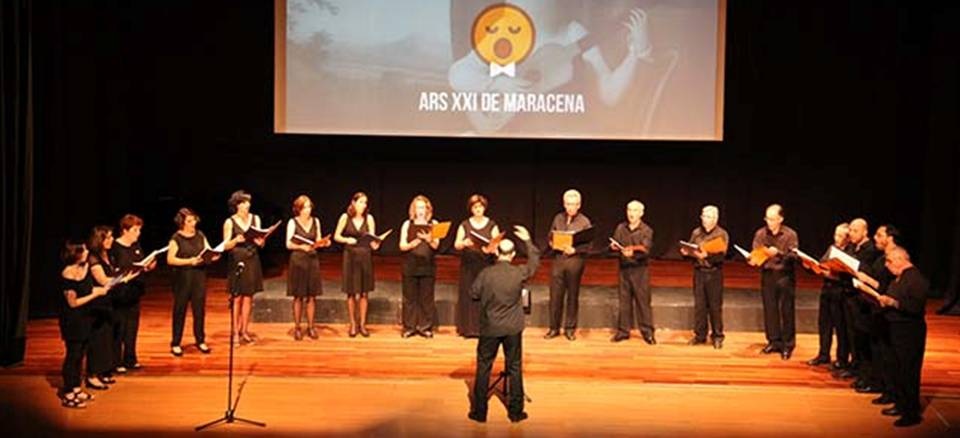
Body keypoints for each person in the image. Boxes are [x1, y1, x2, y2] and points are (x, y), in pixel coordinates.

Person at [468, 225, 539, 424]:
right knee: (515, 367)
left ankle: (479, 412)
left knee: (484, 367)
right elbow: (534, 263)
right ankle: (516, 413)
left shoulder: (486, 274)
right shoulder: (519, 273)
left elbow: (473, 294)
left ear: (497, 252)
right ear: (513, 255)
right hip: (512, 328)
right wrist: (528, 240)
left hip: (490, 327)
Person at [859, 247, 927, 427]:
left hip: (909, 331)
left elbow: (915, 307)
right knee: (896, 367)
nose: (887, 266)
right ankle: (900, 403)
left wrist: (893, 302)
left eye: (889, 261)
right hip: (894, 328)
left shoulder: (916, 279)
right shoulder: (899, 277)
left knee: (908, 370)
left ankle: (911, 412)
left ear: (900, 259)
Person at [58, 241, 129, 408]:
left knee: (81, 354)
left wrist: (120, 280)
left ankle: (76, 388)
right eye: (83, 250)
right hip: (73, 320)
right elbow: (73, 303)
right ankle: (68, 392)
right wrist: (96, 294)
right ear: (75, 254)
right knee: (73, 355)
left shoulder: (85, 268)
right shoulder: (68, 273)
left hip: (86, 317)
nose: (87, 252)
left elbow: (96, 286)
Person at [750, 204, 799, 360]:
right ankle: (774, 341)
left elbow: (794, 257)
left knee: (786, 310)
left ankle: (788, 344)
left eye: (772, 219)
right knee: (770, 309)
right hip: (768, 275)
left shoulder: (790, 235)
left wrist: (779, 253)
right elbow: (756, 251)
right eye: (767, 219)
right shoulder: (761, 233)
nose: (769, 222)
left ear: (780, 219)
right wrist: (753, 258)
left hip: (785, 276)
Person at [166, 208, 217, 356]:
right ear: (182, 223)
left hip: (199, 276)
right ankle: (176, 342)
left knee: (199, 310)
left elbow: (208, 250)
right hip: (183, 278)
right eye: (189, 221)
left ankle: (200, 340)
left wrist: (213, 255)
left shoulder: (200, 235)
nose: (193, 223)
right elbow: (170, 259)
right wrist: (189, 261)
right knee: (180, 310)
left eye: (194, 220)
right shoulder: (176, 238)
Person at [109, 214, 156, 372]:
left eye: (139, 230)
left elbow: (140, 262)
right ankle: (116, 361)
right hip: (120, 293)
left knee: (131, 328)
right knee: (119, 328)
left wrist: (147, 266)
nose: (138, 233)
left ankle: (130, 359)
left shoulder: (135, 245)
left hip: (134, 292)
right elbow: (113, 270)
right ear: (125, 230)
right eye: (135, 230)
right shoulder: (115, 248)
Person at [680, 205, 729, 349]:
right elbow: (691, 250)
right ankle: (700, 335)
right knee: (700, 306)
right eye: (703, 216)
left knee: (714, 306)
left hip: (714, 273)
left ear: (715, 219)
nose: (704, 219)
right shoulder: (696, 233)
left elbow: (722, 256)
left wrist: (707, 256)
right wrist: (687, 253)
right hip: (699, 272)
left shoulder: (721, 234)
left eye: (708, 217)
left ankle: (717, 336)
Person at [546, 189, 592, 341]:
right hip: (559, 259)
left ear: (579, 205)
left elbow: (588, 245)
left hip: (575, 261)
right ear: (564, 204)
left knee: (572, 295)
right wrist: (553, 243)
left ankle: (570, 329)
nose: (570, 207)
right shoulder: (558, 218)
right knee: (555, 295)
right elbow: (550, 236)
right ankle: (554, 328)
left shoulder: (584, 222)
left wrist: (575, 250)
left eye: (573, 204)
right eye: (568, 204)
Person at [334, 192, 381, 337]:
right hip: (350, 256)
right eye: (361, 202)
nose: (363, 205)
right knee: (351, 292)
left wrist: (376, 244)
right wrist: (346, 240)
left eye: (365, 203)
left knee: (364, 292)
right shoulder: (345, 217)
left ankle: (362, 324)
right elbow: (336, 236)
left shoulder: (369, 218)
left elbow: (372, 239)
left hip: (365, 256)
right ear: (353, 203)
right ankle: (353, 323)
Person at [222, 190, 267, 344]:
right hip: (237, 259)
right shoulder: (230, 222)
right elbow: (225, 245)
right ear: (237, 205)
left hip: (252, 258)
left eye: (248, 202)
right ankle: (235, 332)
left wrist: (261, 242)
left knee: (249, 296)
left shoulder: (255, 218)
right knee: (237, 298)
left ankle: (244, 331)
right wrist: (235, 240)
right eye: (244, 202)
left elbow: (260, 240)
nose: (248, 205)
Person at [454, 194, 500, 338]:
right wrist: (464, 243)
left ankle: (484, 328)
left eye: (480, 207)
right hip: (469, 265)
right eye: (475, 207)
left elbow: (496, 245)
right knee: (468, 294)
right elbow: (456, 244)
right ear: (471, 209)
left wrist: (491, 249)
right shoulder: (464, 225)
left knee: (485, 295)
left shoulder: (492, 225)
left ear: (484, 208)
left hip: (485, 265)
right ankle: (468, 329)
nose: (478, 209)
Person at [609, 200, 655, 344]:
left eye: (635, 211)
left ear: (641, 213)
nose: (631, 213)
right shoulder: (621, 228)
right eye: (629, 210)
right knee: (624, 301)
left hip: (639, 270)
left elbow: (646, 250)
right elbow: (615, 245)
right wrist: (613, 247)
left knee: (642, 302)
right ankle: (623, 331)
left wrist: (633, 252)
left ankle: (648, 332)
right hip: (624, 269)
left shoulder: (646, 230)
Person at [806, 223, 851, 367]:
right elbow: (822, 263)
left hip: (840, 291)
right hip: (827, 289)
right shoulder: (832, 248)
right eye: (835, 234)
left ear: (847, 238)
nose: (836, 238)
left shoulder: (850, 252)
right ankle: (823, 354)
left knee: (840, 326)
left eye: (840, 235)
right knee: (824, 324)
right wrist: (812, 266)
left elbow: (849, 273)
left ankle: (841, 359)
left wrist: (833, 273)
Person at [285, 195, 329, 340]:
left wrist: (323, 243)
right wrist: (301, 247)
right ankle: (297, 327)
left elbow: (318, 239)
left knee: (311, 296)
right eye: (305, 207)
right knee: (298, 296)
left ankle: (311, 326)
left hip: (312, 260)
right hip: (298, 260)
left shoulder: (316, 221)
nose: (308, 210)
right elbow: (288, 244)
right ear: (298, 209)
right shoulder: (292, 222)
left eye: (309, 207)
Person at [399, 195, 441, 338]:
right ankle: (409, 327)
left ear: (428, 209)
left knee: (426, 298)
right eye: (418, 208)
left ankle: (425, 327)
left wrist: (429, 239)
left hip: (427, 265)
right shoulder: (407, 224)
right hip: (410, 264)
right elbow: (402, 245)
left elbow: (436, 245)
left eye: (423, 207)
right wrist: (412, 244)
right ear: (414, 210)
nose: (421, 210)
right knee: (409, 298)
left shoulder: (434, 223)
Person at [86, 226, 121, 389]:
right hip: (97, 305)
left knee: (107, 339)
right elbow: (103, 281)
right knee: (97, 340)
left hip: (108, 302)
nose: (111, 240)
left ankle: (102, 371)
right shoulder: (93, 257)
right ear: (100, 240)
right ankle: (92, 374)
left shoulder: (108, 254)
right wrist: (123, 278)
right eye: (108, 237)